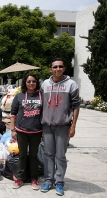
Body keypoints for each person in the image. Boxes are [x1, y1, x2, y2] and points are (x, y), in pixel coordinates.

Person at [40, 58, 80, 196]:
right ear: (50, 69)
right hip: (46, 125)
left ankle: (59, 182)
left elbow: (76, 106)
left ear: (64, 68)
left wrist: (73, 125)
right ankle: (48, 180)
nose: (57, 69)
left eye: (60, 66)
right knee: (48, 154)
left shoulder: (71, 84)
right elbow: (40, 104)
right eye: (54, 67)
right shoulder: (44, 84)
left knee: (60, 156)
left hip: (63, 125)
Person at [10, 74, 43, 190]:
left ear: (36, 82)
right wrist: (13, 129)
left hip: (37, 131)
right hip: (21, 131)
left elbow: (45, 114)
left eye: (33, 81)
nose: (31, 83)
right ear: (25, 83)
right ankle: (20, 178)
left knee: (34, 156)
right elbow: (13, 114)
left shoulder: (41, 96)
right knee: (22, 156)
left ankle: (34, 179)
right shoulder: (19, 96)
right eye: (29, 81)